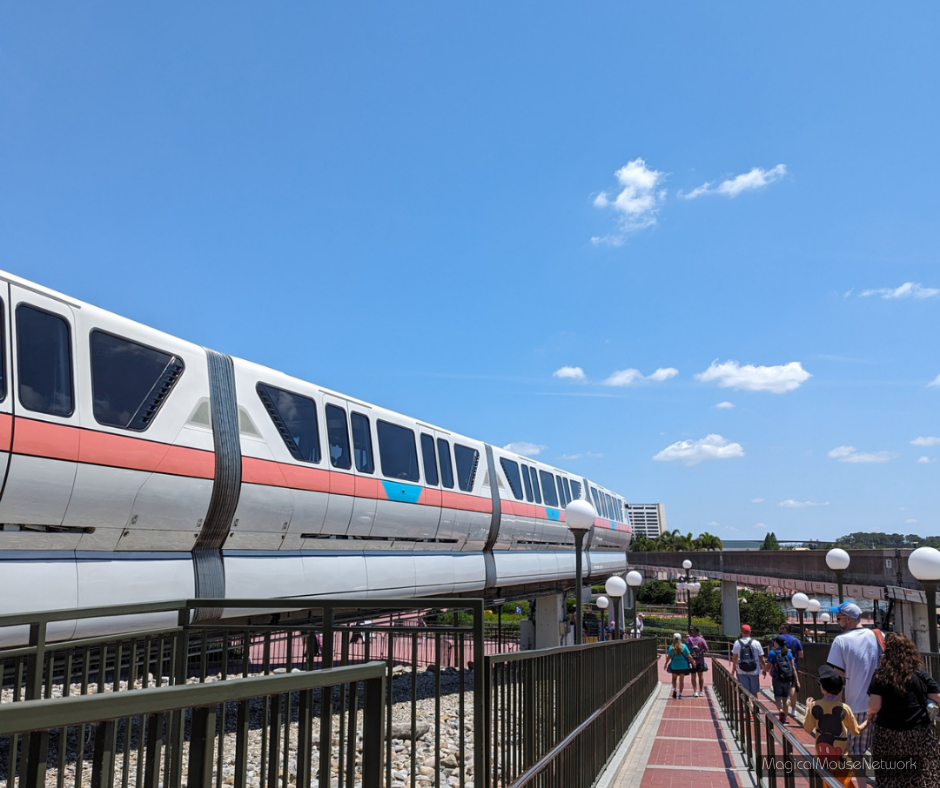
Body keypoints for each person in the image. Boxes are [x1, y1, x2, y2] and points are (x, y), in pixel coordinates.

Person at [862, 632, 940, 788]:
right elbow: (938, 696)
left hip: (888, 734)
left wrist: (870, 713)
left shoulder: (881, 675)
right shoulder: (920, 674)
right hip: (918, 733)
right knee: (920, 777)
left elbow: (875, 705)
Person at [826, 602, 882, 766]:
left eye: (838, 618)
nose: (837, 622)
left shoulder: (840, 641)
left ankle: (861, 780)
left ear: (848, 619)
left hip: (855, 706)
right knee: (880, 750)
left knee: (855, 752)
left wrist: (835, 707)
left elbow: (837, 677)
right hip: (879, 703)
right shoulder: (878, 635)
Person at [805, 665, 862, 788]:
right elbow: (856, 731)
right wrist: (868, 721)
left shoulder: (815, 706)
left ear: (822, 688)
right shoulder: (844, 708)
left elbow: (807, 728)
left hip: (824, 761)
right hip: (842, 761)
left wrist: (807, 709)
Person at [765, 635, 799, 723]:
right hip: (788, 678)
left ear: (776, 643)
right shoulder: (789, 653)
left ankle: (780, 710)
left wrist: (764, 670)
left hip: (777, 678)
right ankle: (785, 717)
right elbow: (793, 668)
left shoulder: (773, 653)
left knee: (777, 697)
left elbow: (768, 665)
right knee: (785, 698)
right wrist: (797, 681)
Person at [731, 624, 766, 695]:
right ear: (750, 632)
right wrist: (764, 668)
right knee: (754, 692)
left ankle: (746, 702)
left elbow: (734, 657)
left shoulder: (737, 643)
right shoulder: (756, 643)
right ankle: (754, 702)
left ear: (741, 632)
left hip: (741, 670)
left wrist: (734, 667)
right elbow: (761, 658)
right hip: (754, 671)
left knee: (744, 693)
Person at [664, 632, 692, 699]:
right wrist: (693, 662)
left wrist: (666, 664)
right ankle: (680, 694)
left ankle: (674, 689)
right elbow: (689, 656)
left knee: (674, 679)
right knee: (681, 680)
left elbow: (668, 657)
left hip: (674, 665)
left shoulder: (671, 647)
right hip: (683, 665)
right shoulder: (684, 646)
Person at [685, 626, 709, 698]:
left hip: (692, 660)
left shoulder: (688, 640)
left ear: (693, 631)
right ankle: (701, 691)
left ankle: (695, 691)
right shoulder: (701, 640)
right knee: (700, 676)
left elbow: (685, 650)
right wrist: (702, 651)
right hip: (700, 660)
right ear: (698, 632)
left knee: (693, 676)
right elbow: (707, 649)